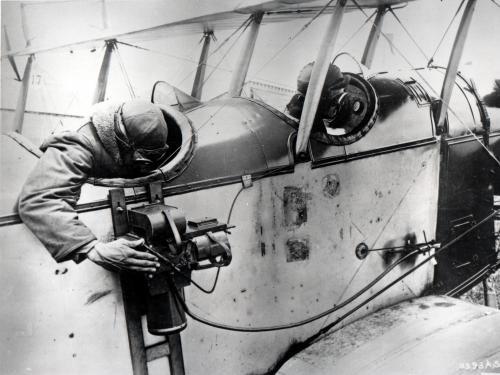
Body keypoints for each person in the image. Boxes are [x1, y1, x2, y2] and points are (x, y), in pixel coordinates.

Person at [18, 99, 173, 273]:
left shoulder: (123, 129)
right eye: (142, 159)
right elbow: (39, 199)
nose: (144, 166)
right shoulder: (78, 145)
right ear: (123, 141)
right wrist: (95, 249)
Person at [286, 62, 350, 134]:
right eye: (335, 99)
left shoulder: (290, 113)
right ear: (321, 99)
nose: (336, 103)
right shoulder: (313, 130)